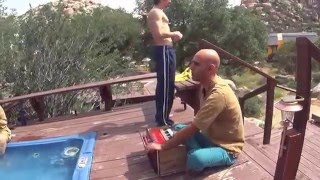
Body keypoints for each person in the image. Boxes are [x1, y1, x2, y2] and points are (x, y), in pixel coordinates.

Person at [147, 49, 245, 173]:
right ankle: (200, 154)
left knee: (195, 158)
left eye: (196, 64)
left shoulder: (219, 94)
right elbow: (196, 125)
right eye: (192, 62)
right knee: (178, 128)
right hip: (210, 138)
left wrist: (162, 146)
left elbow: (194, 128)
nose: (190, 67)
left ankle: (198, 158)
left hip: (226, 148)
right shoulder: (205, 85)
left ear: (211, 69)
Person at [147, 0, 183, 126]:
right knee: (166, 85)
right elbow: (158, 34)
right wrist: (174, 33)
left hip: (167, 50)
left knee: (168, 84)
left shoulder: (159, 12)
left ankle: (164, 115)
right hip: (163, 50)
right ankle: (163, 119)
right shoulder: (155, 12)